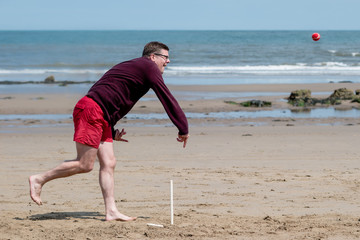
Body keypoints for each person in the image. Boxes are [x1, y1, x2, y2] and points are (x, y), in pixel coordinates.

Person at [29, 41, 189, 222]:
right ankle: (39, 179)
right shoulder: (147, 66)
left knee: (109, 162)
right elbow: (165, 96)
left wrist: (110, 131)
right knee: (85, 164)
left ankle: (111, 211)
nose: (168, 61)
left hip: (101, 115)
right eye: (165, 57)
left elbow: (111, 92)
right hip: (92, 111)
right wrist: (182, 127)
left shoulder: (137, 67)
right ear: (153, 57)